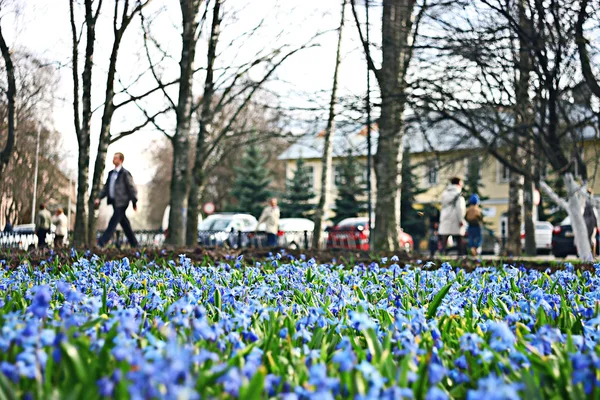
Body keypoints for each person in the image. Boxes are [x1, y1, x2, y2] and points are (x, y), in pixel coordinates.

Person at [94, 152, 139, 248]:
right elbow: (106, 188)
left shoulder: (125, 173)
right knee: (124, 223)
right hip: (114, 202)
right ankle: (135, 244)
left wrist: (134, 201)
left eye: (115, 158)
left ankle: (101, 243)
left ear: (121, 160)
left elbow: (131, 188)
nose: (113, 160)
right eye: (113, 158)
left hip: (122, 202)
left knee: (113, 222)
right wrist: (99, 198)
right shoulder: (111, 173)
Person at [438, 177, 466, 255]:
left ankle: (442, 253)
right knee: (459, 237)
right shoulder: (458, 194)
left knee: (444, 237)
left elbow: (442, 205)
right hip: (455, 217)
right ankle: (460, 255)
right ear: (458, 183)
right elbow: (460, 208)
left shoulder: (445, 193)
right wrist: (461, 220)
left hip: (445, 216)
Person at [583, 188, 598, 257]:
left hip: (589, 222)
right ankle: (591, 254)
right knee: (591, 239)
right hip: (590, 222)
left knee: (590, 239)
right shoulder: (589, 204)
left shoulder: (587, 204)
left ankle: (592, 254)